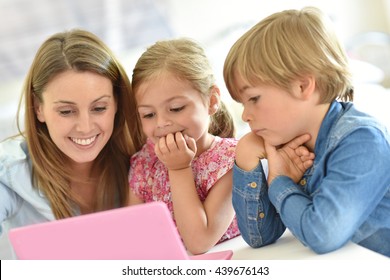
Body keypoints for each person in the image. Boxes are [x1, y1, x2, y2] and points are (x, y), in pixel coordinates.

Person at [223, 6, 390, 257]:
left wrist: (279, 182)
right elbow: (260, 237)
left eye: (254, 99)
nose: (246, 115)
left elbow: (322, 234)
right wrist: (246, 159)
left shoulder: (362, 140)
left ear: (302, 86)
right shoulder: (291, 143)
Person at [0, 29, 143, 238]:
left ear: (117, 103)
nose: (85, 127)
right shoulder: (9, 172)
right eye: (66, 111)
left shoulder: (143, 159)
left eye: (99, 108)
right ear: (38, 108)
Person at [128, 38, 240, 255]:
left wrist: (178, 169)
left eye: (176, 108)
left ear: (211, 100)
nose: (161, 123)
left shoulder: (231, 160)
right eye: (149, 114)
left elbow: (199, 242)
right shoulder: (145, 162)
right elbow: (133, 235)